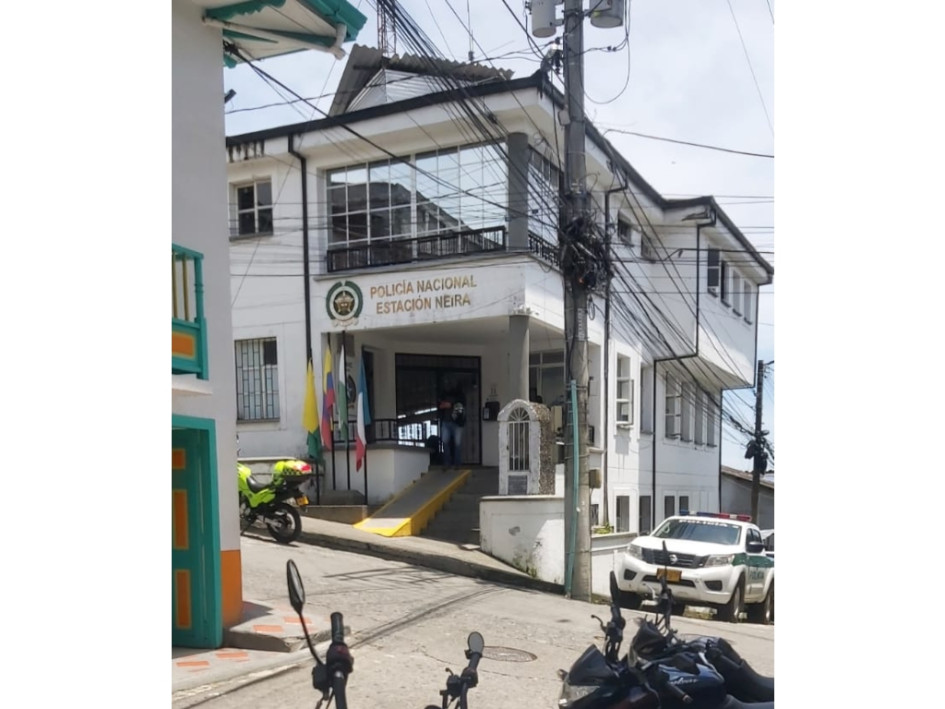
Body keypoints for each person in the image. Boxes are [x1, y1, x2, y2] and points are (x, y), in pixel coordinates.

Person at [437, 377, 467, 469]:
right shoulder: (443, 394)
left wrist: (450, 405)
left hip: (457, 423)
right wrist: (446, 405)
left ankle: (457, 464)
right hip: (446, 422)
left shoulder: (460, 395)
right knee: (445, 442)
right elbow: (439, 405)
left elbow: (461, 404)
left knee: (457, 443)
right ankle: (447, 463)